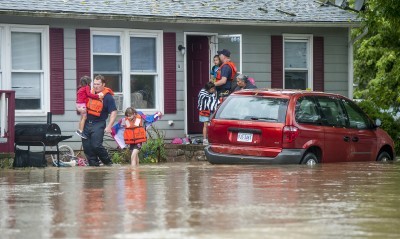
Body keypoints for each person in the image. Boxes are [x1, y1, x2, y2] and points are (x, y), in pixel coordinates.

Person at [82, 75, 117, 166]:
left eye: (98, 84)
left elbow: (113, 112)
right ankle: (94, 169)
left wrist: (109, 126)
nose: (96, 86)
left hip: (98, 123)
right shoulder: (89, 93)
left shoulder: (108, 97)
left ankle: (108, 164)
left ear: (103, 84)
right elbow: (81, 105)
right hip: (86, 123)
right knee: (87, 148)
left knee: (96, 145)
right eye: (94, 84)